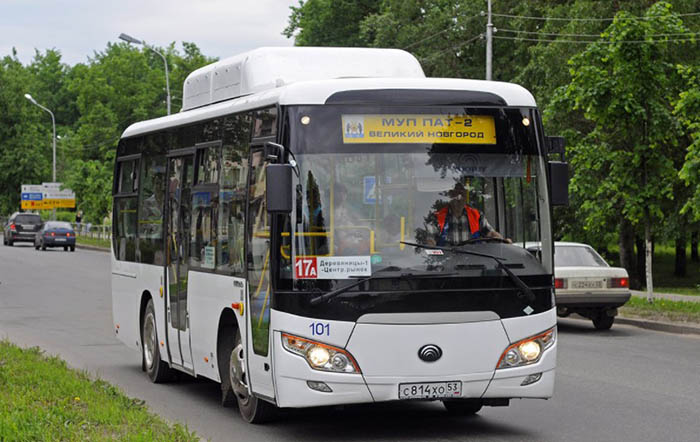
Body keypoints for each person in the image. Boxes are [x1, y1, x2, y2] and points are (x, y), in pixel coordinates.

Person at [425, 181, 510, 246]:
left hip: (472, 264)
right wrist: (431, 248)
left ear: (466, 198)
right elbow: (430, 240)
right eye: (456, 194)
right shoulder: (438, 217)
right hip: (445, 265)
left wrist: (502, 241)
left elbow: (490, 233)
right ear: (450, 196)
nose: (459, 198)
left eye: (462, 194)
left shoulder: (476, 215)